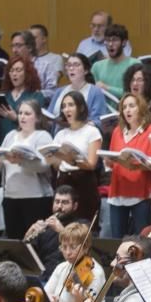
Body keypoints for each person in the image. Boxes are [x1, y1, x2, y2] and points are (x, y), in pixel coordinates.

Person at [0, 99, 53, 240]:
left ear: (37, 117)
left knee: (35, 241)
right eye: (20, 113)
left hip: (36, 197)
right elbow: (1, 166)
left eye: (27, 113)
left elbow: (44, 166)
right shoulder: (10, 136)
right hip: (10, 196)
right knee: (14, 241)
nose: (22, 116)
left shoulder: (42, 136)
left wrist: (21, 161)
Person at [107, 94, 151, 237]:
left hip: (141, 193)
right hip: (118, 192)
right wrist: (108, 161)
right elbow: (113, 162)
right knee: (117, 240)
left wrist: (134, 165)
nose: (127, 110)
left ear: (141, 108)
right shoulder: (117, 131)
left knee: (142, 240)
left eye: (131, 106)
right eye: (124, 107)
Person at [44, 222, 106, 302]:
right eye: (64, 247)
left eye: (73, 247)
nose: (68, 252)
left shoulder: (95, 272)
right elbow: (46, 294)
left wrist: (78, 298)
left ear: (85, 247)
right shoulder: (62, 267)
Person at [53, 91, 102, 221]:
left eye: (71, 105)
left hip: (83, 181)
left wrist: (72, 160)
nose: (66, 109)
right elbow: (57, 165)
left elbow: (91, 164)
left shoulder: (91, 132)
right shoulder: (60, 134)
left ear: (80, 107)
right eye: (64, 106)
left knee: (83, 224)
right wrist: (50, 158)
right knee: (62, 223)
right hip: (63, 181)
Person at [25, 186, 82, 281]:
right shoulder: (44, 227)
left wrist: (62, 230)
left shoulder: (82, 224)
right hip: (45, 277)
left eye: (65, 202)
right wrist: (27, 235)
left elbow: (83, 247)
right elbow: (28, 257)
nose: (59, 206)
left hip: (70, 278)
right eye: (57, 202)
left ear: (75, 206)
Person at [0, 56, 46, 143]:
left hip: (27, 143)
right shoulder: (4, 96)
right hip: (4, 144)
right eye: (11, 71)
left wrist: (16, 118)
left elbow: (40, 125)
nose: (14, 74)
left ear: (27, 73)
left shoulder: (36, 96)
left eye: (18, 70)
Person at [48, 53, 107, 125]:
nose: (71, 68)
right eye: (69, 65)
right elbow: (49, 116)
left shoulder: (95, 92)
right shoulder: (59, 92)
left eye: (76, 65)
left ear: (86, 70)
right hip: (59, 133)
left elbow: (100, 120)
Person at [91, 24, 139, 101]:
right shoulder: (97, 66)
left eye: (114, 40)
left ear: (124, 42)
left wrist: (107, 88)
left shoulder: (134, 64)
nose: (110, 44)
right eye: (107, 40)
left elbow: (135, 93)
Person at [29, 24, 64, 88]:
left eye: (34, 38)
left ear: (44, 39)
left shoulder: (56, 58)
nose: (30, 41)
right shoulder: (27, 59)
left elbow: (53, 82)